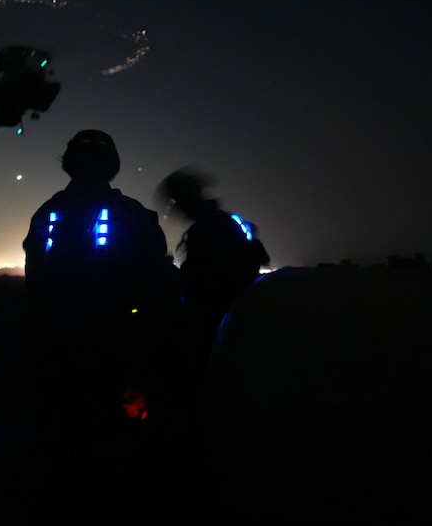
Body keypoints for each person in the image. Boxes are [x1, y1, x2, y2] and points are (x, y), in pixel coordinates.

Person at [22, 130, 180, 444]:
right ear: (112, 165)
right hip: (116, 340)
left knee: (61, 424)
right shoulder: (133, 214)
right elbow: (156, 279)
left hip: (59, 341)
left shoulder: (45, 214)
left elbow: (34, 277)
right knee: (121, 427)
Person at [157, 166, 270, 351]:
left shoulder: (206, 230)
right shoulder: (227, 222)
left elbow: (202, 283)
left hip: (220, 324)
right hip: (238, 317)